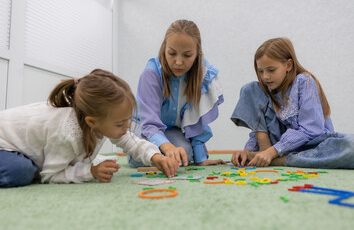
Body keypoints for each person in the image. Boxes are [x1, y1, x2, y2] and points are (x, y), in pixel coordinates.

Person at [0, 69, 179, 188]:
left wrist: (155, 156)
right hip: (3, 142)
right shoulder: (67, 133)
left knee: (34, 166)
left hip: (17, 145)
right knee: (22, 171)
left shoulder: (98, 119)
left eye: (128, 121)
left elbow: (130, 141)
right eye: (120, 124)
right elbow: (50, 176)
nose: (126, 128)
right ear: (92, 122)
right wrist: (89, 172)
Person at [231, 37, 354, 168]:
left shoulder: (304, 81)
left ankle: (281, 160)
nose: (265, 76)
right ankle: (269, 156)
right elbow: (260, 125)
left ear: (288, 65)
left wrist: (272, 152)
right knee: (251, 88)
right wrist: (248, 150)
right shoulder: (266, 91)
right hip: (279, 147)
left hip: (313, 146)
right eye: (260, 71)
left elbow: (312, 130)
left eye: (271, 70)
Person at [129, 19, 225, 168]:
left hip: (171, 128)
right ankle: (133, 155)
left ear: (197, 54)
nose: (179, 62)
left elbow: (195, 120)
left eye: (187, 55)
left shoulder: (202, 74)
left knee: (184, 153)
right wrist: (167, 147)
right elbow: (150, 124)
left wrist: (200, 158)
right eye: (172, 53)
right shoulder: (151, 73)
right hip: (144, 124)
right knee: (149, 154)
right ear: (164, 48)